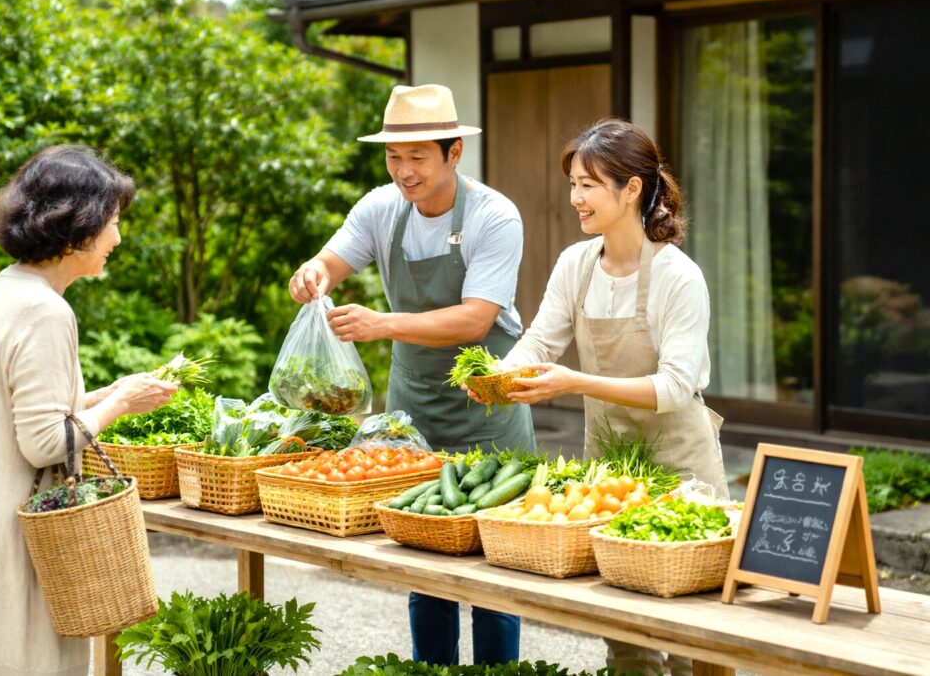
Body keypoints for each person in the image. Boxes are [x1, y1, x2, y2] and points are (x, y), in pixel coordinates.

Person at [472, 118, 729, 676]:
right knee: (623, 628)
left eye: (588, 184)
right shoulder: (576, 264)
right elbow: (542, 339)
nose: (575, 198)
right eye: (572, 184)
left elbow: (674, 387)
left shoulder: (678, 278)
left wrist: (574, 382)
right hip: (611, 470)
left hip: (682, 470)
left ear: (631, 188)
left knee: (691, 634)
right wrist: (497, 375)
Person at [288, 84, 535, 666]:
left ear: (454, 154)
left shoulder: (495, 216)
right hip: (411, 412)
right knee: (422, 565)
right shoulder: (380, 209)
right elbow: (330, 261)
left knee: (494, 572)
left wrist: (383, 323)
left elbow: (476, 319)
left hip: (488, 410)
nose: (404, 171)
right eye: (393, 157)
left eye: (418, 156)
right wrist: (311, 275)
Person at [0, 145, 179, 676]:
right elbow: (43, 443)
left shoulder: (9, 285)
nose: (117, 239)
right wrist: (123, 404)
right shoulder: (45, 311)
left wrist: (106, 395)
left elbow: (24, 408)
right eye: (113, 222)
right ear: (77, 224)